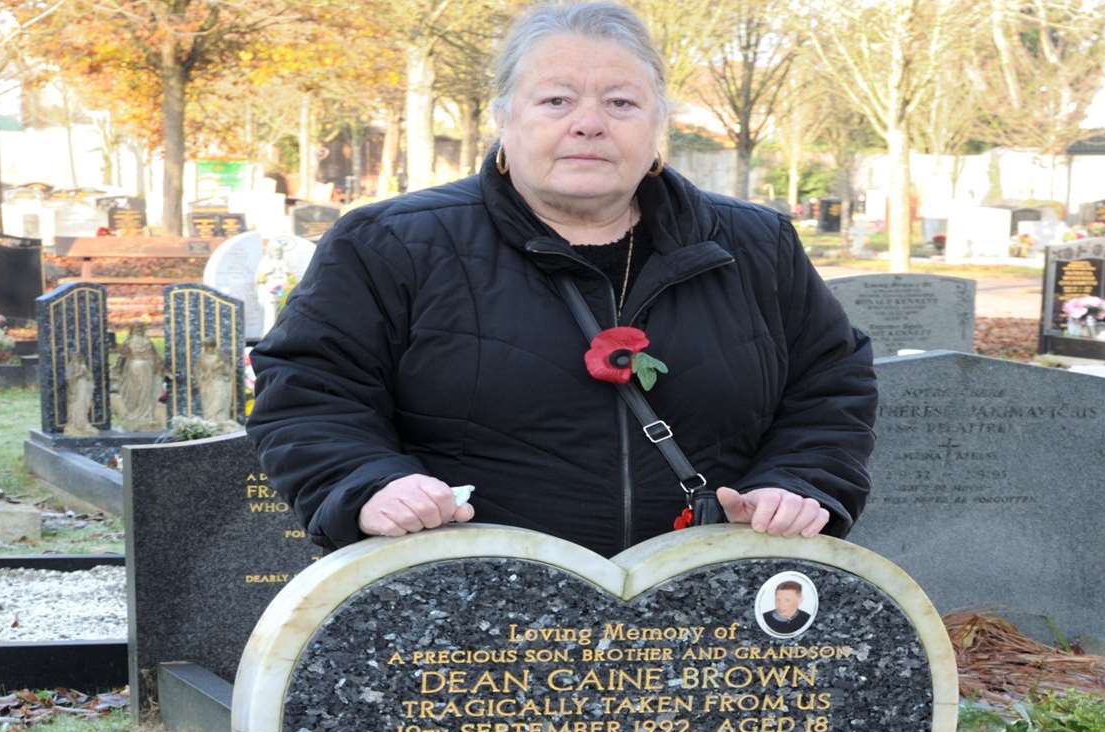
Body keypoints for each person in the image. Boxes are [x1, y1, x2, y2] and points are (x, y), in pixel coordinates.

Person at [247, 1, 874, 556]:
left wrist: (796, 483)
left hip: (706, 607)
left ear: (658, 122)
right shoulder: (392, 243)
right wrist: (370, 484)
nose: (589, 123)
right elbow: (311, 390)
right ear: (504, 118)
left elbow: (829, 385)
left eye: (621, 102)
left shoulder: (754, 245)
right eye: (556, 100)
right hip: (463, 605)